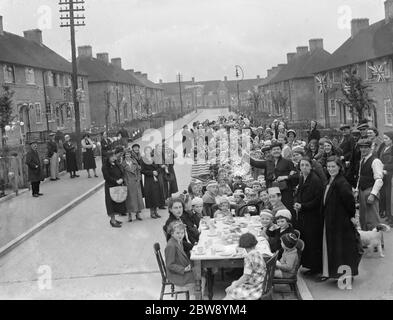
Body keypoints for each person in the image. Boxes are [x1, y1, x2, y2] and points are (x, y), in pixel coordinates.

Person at [319, 156, 362, 282]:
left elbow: (349, 202)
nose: (331, 169)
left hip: (341, 221)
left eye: (333, 166)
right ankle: (337, 273)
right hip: (331, 219)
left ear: (339, 167)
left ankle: (347, 275)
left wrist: (351, 216)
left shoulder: (342, 183)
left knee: (343, 249)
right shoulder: (330, 180)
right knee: (336, 249)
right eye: (329, 167)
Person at [293, 157, 324, 275]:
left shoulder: (315, 180)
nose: (304, 167)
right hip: (303, 214)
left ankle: (316, 268)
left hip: (313, 215)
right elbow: (298, 193)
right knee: (306, 239)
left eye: (306, 165)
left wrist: (303, 206)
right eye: (302, 165)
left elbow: (317, 200)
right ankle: (309, 265)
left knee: (313, 241)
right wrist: (297, 202)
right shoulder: (302, 177)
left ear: (311, 167)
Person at [247, 142, 295, 216]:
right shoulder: (268, 162)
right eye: (274, 149)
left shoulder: (288, 162)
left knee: (286, 211)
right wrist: (244, 154)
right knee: (274, 211)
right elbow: (255, 163)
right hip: (272, 191)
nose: (276, 151)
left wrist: (286, 177)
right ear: (271, 152)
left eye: (278, 149)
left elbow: (295, 175)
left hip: (285, 192)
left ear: (281, 150)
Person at [224, 233, 266, 300]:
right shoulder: (257, 253)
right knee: (234, 283)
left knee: (231, 289)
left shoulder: (248, 257)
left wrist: (234, 285)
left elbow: (246, 276)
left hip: (255, 286)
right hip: (262, 281)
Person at [356, 139, 383, 231]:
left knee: (373, 218)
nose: (363, 150)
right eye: (361, 147)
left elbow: (379, 180)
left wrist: (373, 194)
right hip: (362, 190)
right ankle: (367, 240)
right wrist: (356, 189)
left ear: (370, 148)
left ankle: (379, 243)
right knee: (363, 217)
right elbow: (360, 176)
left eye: (365, 147)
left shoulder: (375, 161)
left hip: (370, 190)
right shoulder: (362, 160)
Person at [164, 221, 195, 299]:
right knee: (199, 276)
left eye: (182, 233)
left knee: (201, 272)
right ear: (172, 233)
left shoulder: (178, 241)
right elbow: (169, 265)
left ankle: (195, 295)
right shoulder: (171, 246)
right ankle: (194, 296)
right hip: (176, 275)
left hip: (181, 269)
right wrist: (183, 269)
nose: (180, 235)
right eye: (177, 233)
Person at [102, 150, 127, 228]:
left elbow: (122, 172)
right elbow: (106, 177)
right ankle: (112, 221)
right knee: (111, 204)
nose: (114, 158)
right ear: (108, 158)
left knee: (117, 202)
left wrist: (122, 179)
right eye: (112, 156)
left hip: (118, 185)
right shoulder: (105, 166)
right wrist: (116, 181)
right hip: (110, 186)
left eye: (114, 156)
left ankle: (115, 219)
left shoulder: (117, 164)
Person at [141, 146, 165, 219]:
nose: (148, 152)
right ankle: (152, 212)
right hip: (149, 180)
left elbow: (159, 167)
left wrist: (157, 172)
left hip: (156, 178)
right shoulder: (143, 160)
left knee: (157, 195)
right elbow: (142, 170)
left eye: (149, 150)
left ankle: (156, 211)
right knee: (151, 195)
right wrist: (151, 172)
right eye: (147, 151)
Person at [122, 147, 144, 222]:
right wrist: (126, 182)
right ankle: (129, 215)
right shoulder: (123, 164)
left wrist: (138, 179)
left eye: (128, 154)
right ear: (124, 155)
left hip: (136, 182)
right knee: (129, 199)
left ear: (130, 155)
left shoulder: (134, 161)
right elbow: (123, 174)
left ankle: (138, 214)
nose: (127, 155)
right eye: (126, 154)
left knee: (137, 198)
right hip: (128, 183)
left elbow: (138, 171)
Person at [377, 132, 393, 225]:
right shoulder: (383, 147)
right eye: (384, 138)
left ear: (391, 139)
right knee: (385, 196)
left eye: (386, 139)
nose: (384, 140)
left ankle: (392, 218)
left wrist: (385, 167)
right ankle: (388, 215)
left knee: (390, 197)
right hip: (384, 175)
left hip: (390, 175)